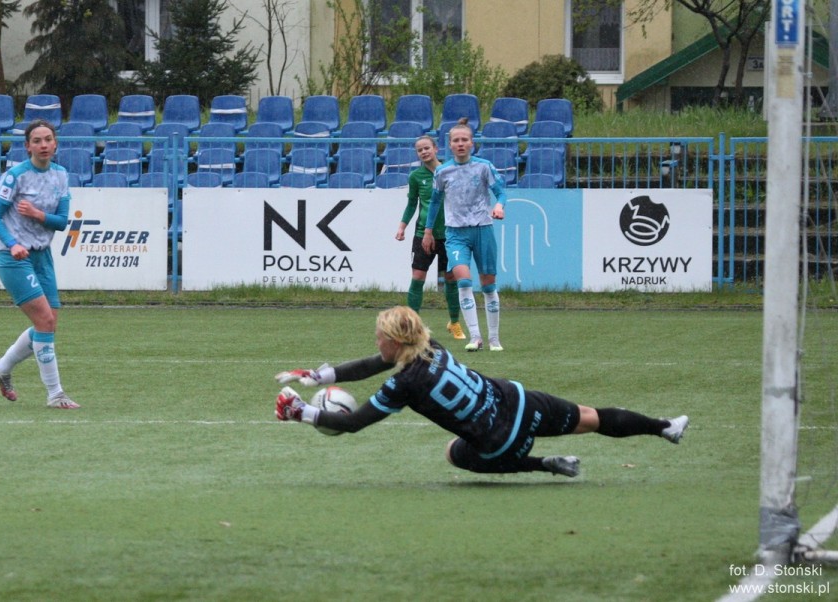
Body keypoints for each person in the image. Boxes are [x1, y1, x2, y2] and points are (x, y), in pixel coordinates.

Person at [273, 306, 689, 479]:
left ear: (395, 342)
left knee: (454, 453)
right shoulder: (430, 345)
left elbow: (354, 424)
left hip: (502, 441)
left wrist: (300, 413)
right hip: (520, 402)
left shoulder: (404, 384)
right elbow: (374, 363)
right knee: (591, 417)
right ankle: (664, 426)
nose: (376, 341)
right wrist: (320, 376)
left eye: (380, 336)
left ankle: (545, 464)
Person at [0, 119, 79, 409]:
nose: (43, 145)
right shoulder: (15, 176)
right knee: (45, 321)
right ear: (27, 146)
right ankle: (55, 394)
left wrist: (38, 214)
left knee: (48, 324)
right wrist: (12, 243)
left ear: (55, 144)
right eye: (37, 141)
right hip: (14, 257)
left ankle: (2, 367)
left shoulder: (61, 175)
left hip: (42, 256)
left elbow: (62, 222)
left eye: (48, 139)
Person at [422, 117, 506, 352]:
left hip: (482, 230)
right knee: (464, 281)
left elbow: (501, 192)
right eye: (456, 140)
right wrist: (428, 231)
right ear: (450, 145)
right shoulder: (442, 171)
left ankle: (494, 338)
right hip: (456, 234)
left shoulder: (484, 167)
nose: (460, 144)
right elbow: (435, 202)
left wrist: (499, 206)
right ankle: (476, 337)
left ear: (472, 143)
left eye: (464, 140)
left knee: (488, 285)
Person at [395, 135, 464, 340]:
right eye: (420, 150)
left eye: (427, 148)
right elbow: (412, 204)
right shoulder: (416, 176)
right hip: (423, 234)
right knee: (418, 278)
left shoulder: (450, 171)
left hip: (450, 234)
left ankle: (454, 322)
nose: (424, 152)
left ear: (435, 149)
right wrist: (402, 227)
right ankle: (412, 326)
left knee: (451, 279)